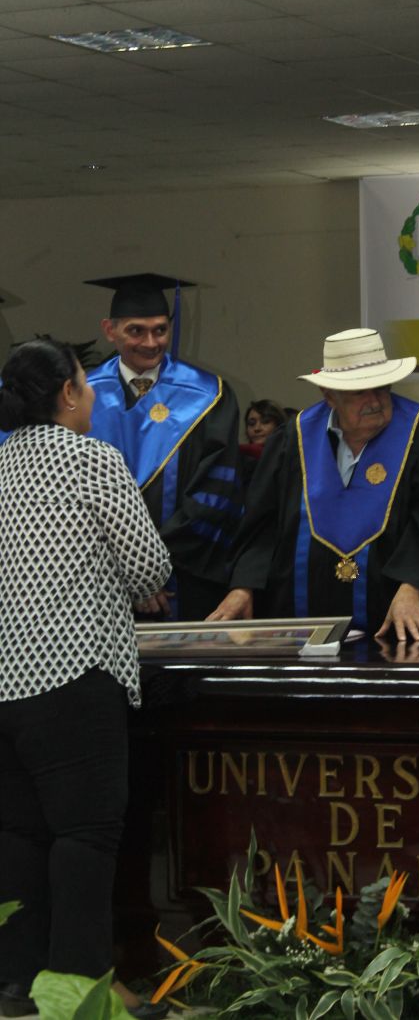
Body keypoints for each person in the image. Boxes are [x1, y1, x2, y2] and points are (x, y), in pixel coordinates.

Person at [0, 338, 171, 1019]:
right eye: (85, 381)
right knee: (84, 836)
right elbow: (150, 568)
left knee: (16, 835)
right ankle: (85, 990)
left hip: (3, 682)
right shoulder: (92, 459)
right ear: (68, 393)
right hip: (71, 676)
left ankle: (18, 983)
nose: (95, 393)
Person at [209, 328, 419, 640]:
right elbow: (262, 526)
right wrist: (243, 587)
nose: (375, 401)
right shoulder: (293, 441)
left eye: (381, 388)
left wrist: (413, 586)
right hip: (299, 620)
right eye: (359, 392)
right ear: (329, 395)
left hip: (393, 621)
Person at [86, 274, 243, 621]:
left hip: (183, 575)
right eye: (136, 331)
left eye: (160, 329)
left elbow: (217, 492)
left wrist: (152, 569)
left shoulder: (208, 395)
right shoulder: (80, 396)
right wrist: (128, 571)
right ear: (110, 330)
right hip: (98, 580)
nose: (151, 342)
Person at [240, 399, 286, 484]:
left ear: (279, 425)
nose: (257, 428)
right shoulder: (239, 459)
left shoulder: (288, 460)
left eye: (265, 422)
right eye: (251, 423)